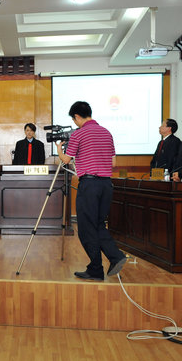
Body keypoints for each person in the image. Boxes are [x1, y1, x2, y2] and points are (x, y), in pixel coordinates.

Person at [56, 101, 127, 281]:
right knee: (98, 225)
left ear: (77, 117)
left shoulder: (79, 134)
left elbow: (66, 160)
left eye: (74, 120)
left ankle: (103, 263)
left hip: (89, 185)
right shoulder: (106, 132)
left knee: (86, 228)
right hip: (106, 185)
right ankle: (104, 263)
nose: (75, 123)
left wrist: (59, 149)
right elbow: (113, 163)